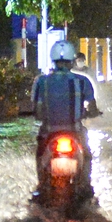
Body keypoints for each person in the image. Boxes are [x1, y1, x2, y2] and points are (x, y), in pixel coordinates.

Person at [31, 37, 102, 201]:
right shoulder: (83, 81)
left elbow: (38, 111)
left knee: (40, 154)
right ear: (72, 61)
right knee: (88, 156)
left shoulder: (41, 81)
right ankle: (85, 184)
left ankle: (41, 184)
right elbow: (92, 107)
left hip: (49, 133)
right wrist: (93, 113)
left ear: (53, 60)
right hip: (75, 132)